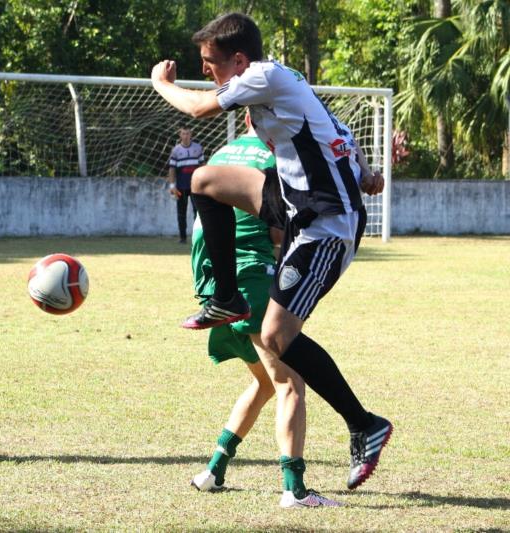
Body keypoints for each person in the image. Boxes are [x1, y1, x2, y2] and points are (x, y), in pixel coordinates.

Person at [151, 12, 392, 496]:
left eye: (212, 65)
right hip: (295, 202)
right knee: (204, 181)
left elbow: (197, 108)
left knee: (277, 338)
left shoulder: (263, 75)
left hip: (326, 224)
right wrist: (364, 171)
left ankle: (365, 424)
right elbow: (338, 129)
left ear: (239, 61)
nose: (210, 75)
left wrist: (161, 83)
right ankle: (227, 298)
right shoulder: (278, 83)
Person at [190, 125, 341, 508]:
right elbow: (277, 234)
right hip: (253, 278)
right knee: (291, 383)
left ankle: (213, 470)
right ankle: (295, 491)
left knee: (266, 382)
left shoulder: (224, 153)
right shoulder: (281, 157)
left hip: (215, 284)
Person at [167, 127, 204, 243]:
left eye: (188, 133)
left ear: (191, 134)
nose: (186, 136)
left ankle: (197, 237)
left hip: (195, 187)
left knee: (198, 213)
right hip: (181, 187)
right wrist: (172, 186)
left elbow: (202, 166)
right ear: (180, 135)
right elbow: (172, 169)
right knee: (181, 213)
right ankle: (182, 238)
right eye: (183, 133)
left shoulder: (198, 148)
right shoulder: (176, 150)